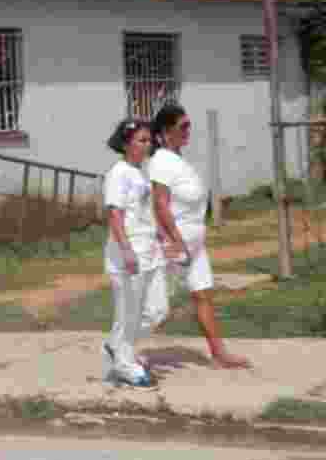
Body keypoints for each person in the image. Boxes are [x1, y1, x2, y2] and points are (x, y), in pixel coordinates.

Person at [149, 104, 251, 369]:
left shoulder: (178, 161)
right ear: (165, 131)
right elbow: (160, 205)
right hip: (175, 244)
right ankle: (119, 351)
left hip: (194, 244)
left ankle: (219, 355)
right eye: (182, 126)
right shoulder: (161, 161)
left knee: (203, 294)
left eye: (189, 125)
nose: (187, 131)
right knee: (154, 308)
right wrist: (174, 239)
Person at [101, 120, 167, 387]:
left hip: (150, 251)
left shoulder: (141, 172)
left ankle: (117, 346)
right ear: (126, 143)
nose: (147, 144)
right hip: (128, 254)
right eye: (141, 140)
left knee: (157, 310)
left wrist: (159, 233)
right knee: (129, 313)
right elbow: (115, 213)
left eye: (149, 140)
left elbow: (142, 210)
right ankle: (125, 365)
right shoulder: (118, 173)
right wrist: (126, 250)